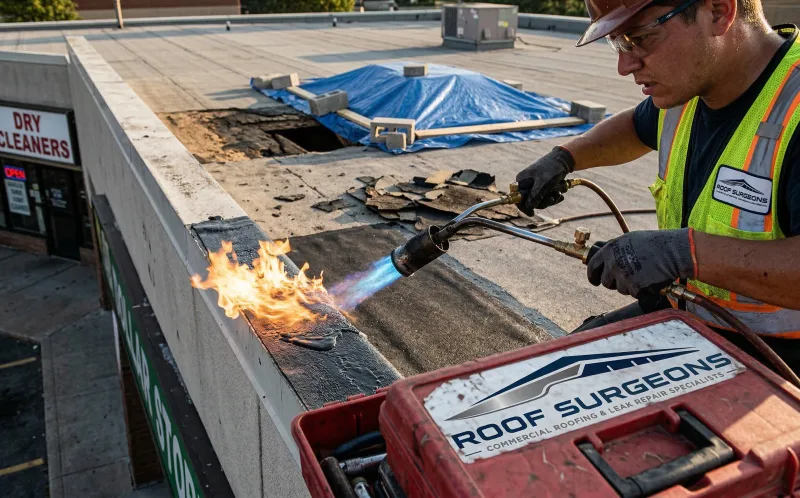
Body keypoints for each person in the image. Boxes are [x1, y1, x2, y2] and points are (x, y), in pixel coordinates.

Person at [514, 0, 800, 372]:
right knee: (557, 369)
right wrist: (565, 157)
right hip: (694, 317)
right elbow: (637, 126)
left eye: (640, 38)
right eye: (618, 43)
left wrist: (682, 253)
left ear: (717, 12)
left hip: (780, 359)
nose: (624, 66)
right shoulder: (690, 89)